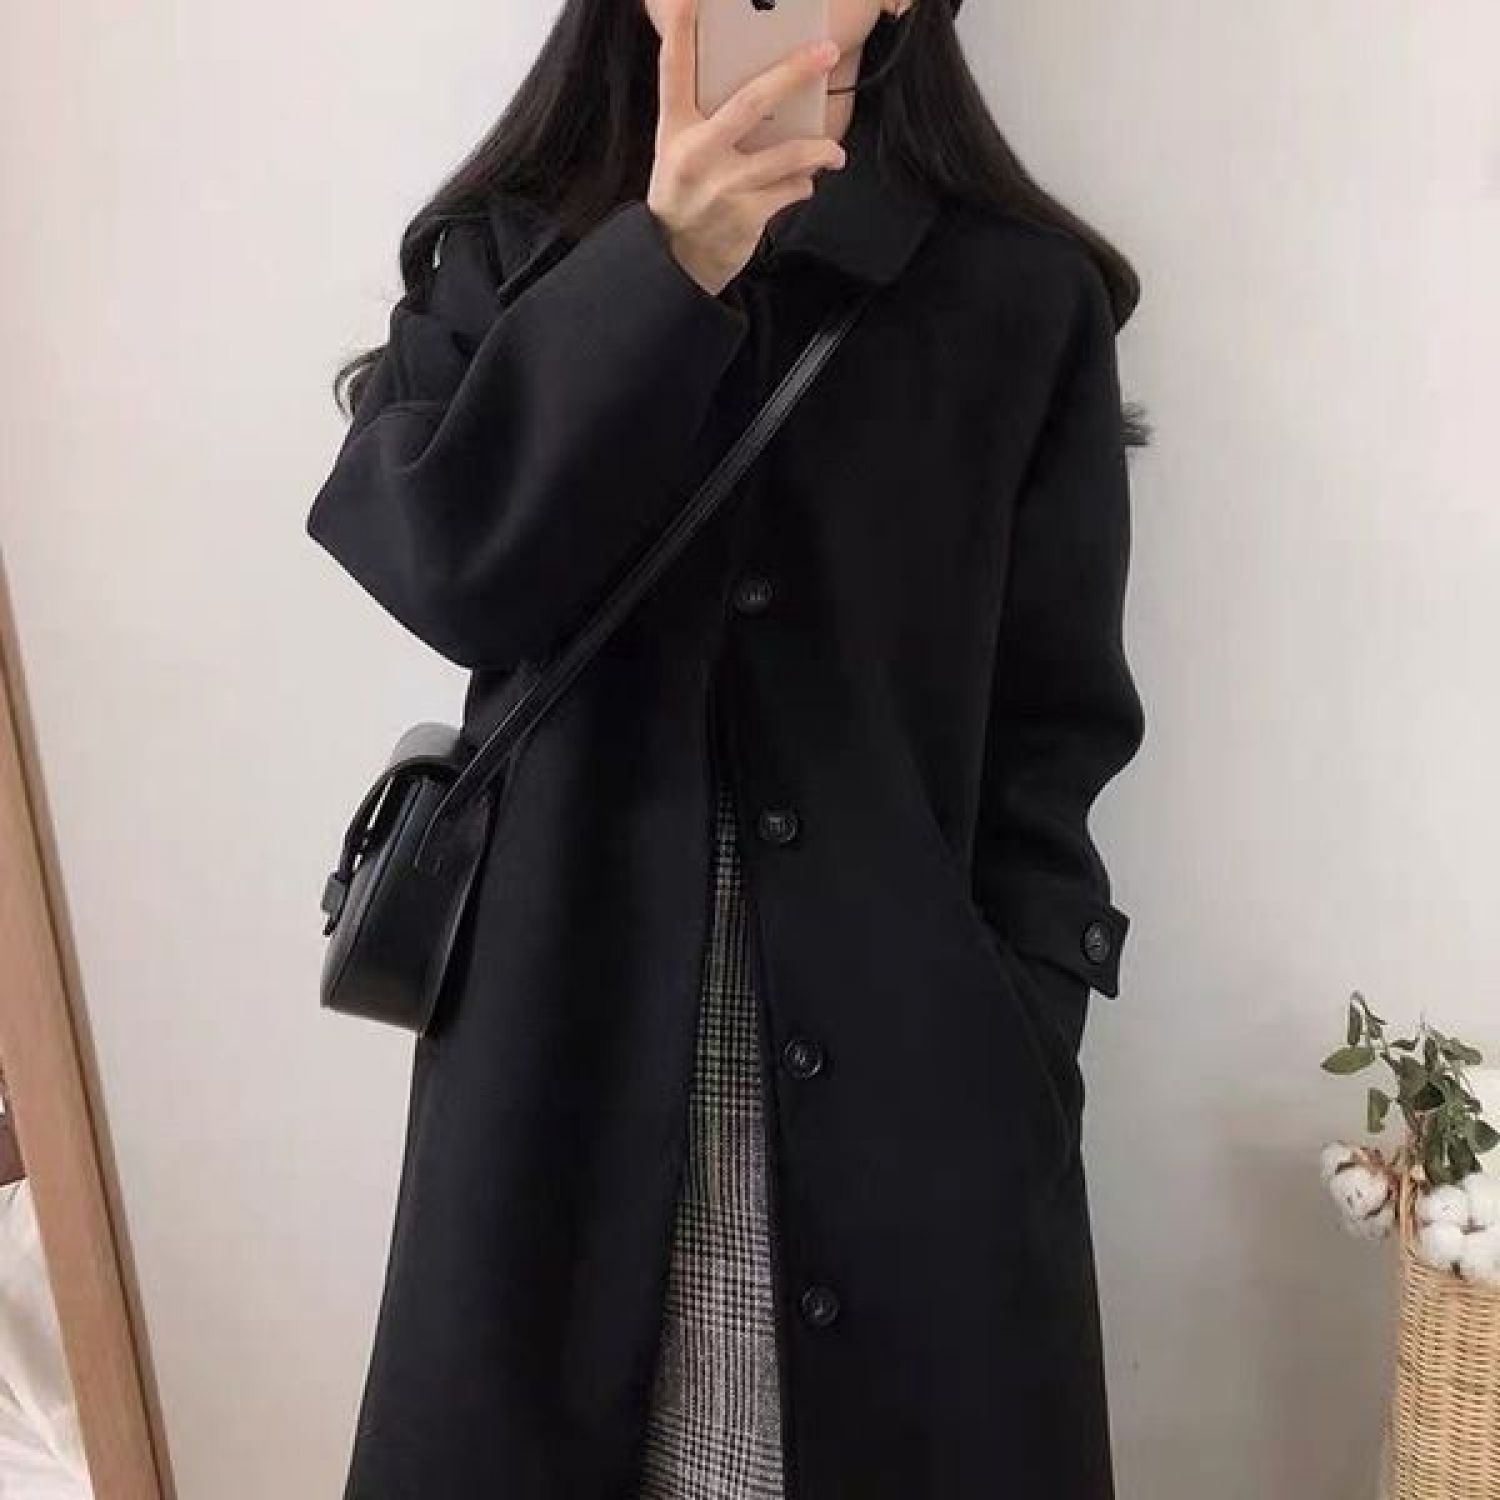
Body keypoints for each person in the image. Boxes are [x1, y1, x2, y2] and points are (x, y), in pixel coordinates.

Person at [304, 1, 1149, 1496]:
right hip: (560, 1077)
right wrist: (662, 269)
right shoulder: (507, 258)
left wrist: (1024, 1026)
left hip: (915, 1103)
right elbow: (439, 564)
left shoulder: (1023, 300)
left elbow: (1054, 730)